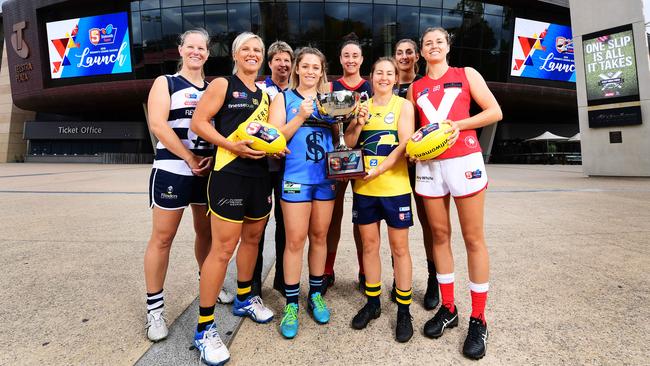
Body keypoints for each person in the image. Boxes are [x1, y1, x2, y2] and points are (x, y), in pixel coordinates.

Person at [406, 27, 502, 360]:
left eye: (439, 41)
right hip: (430, 167)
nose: (433, 46)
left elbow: (494, 111)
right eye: (427, 42)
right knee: (439, 236)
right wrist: (415, 148)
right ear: (421, 50)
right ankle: (449, 307)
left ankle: (479, 318)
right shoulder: (415, 88)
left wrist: (455, 126)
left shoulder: (466, 74)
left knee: (473, 238)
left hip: (465, 160)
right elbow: (414, 132)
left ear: (448, 46)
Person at [190, 32, 278, 365]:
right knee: (223, 248)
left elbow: (267, 136)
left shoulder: (266, 95)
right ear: (235, 55)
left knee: (253, 240)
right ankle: (204, 328)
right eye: (247, 50)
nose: (253, 54)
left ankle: (245, 298)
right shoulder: (222, 84)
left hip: (259, 177)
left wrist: (277, 146)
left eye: (258, 50)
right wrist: (229, 146)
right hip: (229, 174)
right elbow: (199, 123)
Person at [143, 28, 234, 343]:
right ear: (180, 49)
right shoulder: (165, 83)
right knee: (163, 238)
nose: (196, 51)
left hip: (207, 171)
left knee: (206, 234)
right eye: (190, 46)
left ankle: (207, 282)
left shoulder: (214, 88)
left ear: (208, 53)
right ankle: (154, 309)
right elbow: (157, 125)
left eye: (202, 48)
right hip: (173, 169)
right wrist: (189, 157)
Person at [345, 57, 415, 342]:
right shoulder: (361, 105)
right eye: (379, 73)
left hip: (395, 187)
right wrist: (358, 124)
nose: (384, 77)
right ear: (371, 77)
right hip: (364, 190)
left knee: (400, 249)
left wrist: (377, 171)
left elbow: (404, 144)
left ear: (395, 78)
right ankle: (373, 302)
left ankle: (404, 310)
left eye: (389, 73)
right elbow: (349, 143)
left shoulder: (403, 106)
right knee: (370, 247)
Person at [268, 47, 334, 339]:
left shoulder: (329, 100)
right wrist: (300, 116)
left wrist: (355, 118)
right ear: (296, 69)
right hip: (296, 178)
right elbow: (272, 138)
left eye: (315, 67)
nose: (310, 71)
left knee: (319, 237)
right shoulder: (283, 98)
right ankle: (292, 303)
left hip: (325, 178)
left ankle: (315, 294)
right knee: (295, 240)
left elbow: (346, 135)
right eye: (305, 66)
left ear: (322, 72)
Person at [392, 38, 440, 310]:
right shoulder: (385, 81)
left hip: (421, 162)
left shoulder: (423, 84)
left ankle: (434, 278)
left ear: (417, 56)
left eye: (409, 51)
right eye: (400, 52)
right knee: (394, 223)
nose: (405, 56)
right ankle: (400, 279)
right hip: (392, 163)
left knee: (428, 223)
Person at [323, 39, 373, 294]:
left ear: (362, 59)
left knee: (362, 217)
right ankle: (327, 270)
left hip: (367, 157)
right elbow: (329, 125)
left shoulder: (371, 87)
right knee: (334, 216)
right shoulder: (330, 87)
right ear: (340, 59)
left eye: (355, 55)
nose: (351, 59)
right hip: (340, 156)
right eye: (346, 55)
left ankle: (365, 271)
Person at [252, 41, 294, 297]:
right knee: (258, 223)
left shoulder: (297, 92)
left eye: (287, 60)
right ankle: (253, 281)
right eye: (278, 59)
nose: (283, 64)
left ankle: (281, 278)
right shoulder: (258, 89)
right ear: (269, 63)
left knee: (286, 224)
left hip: (289, 165)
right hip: (261, 166)